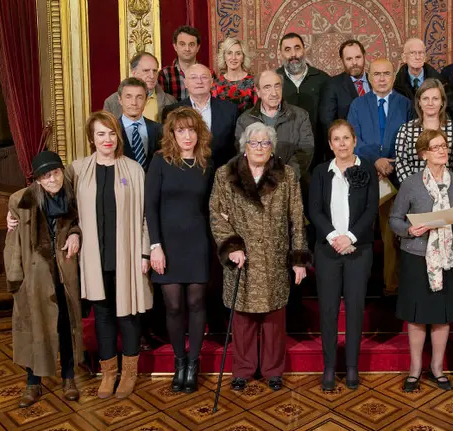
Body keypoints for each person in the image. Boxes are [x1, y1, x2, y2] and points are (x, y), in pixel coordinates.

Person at [210, 122, 310, 392]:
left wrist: (299, 260)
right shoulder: (225, 174)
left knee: (274, 320)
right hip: (241, 258)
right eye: (254, 142)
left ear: (272, 147)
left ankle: (273, 371)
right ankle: (242, 369)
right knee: (242, 319)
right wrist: (232, 246)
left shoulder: (286, 175)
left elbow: (297, 218)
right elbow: (216, 215)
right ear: (245, 146)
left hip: (274, 258)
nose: (260, 147)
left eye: (265, 143)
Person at [72, 111, 152, 399]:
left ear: (118, 135)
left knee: (128, 314)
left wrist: (144, 253)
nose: (106, 139)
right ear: (91, 139)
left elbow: (145, 216)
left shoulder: (133, 170)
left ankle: (129, 374)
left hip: (127, 254)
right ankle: (108, 374)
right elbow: (51, 194)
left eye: (110, 133)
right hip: (95, 255)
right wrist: (14, 209)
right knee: (102, 315)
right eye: (100, 134)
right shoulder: (78, 169)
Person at [5, 151, 83, 407]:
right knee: (34, 326)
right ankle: (33, 381)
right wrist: (16, 278)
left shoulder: (73, 196)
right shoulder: (21, 201)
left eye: (56, 172)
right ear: (37, 180)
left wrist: (74, 233)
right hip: (35, 276)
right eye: (46, 176)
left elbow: (80, 224)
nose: (52, 179)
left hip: (63, 271)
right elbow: (13, 243)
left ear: (63, 171)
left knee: (65, 324)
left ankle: (69, 377)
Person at [145, 107, 215, 394]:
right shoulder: (160, 161)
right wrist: (155, 246)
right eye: (181, 130)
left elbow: (213, 206)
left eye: (191, 130)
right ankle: (179, 361)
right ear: (172, 134)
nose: (187, 135)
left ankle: (193, 364)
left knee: (197, 304)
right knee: (173, 305)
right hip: (167, 244)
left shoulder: (207, 163)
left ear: (199, 132)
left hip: (198, 241)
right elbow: (150, 205)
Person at [390, 129, 453, 392]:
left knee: (441, 316)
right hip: (416, 256)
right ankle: (415, 369)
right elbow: (395, 219)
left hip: (446, 258)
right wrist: (409, 230)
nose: (442, 150)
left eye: (444, 146)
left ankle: (437, 368)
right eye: (435, 147)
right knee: (418, 316)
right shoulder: (411, 183)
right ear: (423, 154)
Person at [309, 120, 379, 391]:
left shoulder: (367, 169)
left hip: (357, 250)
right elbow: (314, 210)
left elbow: (371, 209)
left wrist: (349, 237)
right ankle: (329, 366)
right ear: (330, 144)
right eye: (336, 139)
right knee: (327, 309)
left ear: (354, 140)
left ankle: (351, 366)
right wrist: (333, 238)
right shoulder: (319, 172)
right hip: (327, 250)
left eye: (346, 138)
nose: (341, 144)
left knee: (354, 308)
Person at [347, 58, 413, 295]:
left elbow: (410, 136)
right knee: (360, 234)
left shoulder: (405, 104)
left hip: (395, 179)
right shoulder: (358, 105)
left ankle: (391, 286)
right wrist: (375, 160)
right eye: (377, 74)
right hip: (365, 177)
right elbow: (353, 140)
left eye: (387, 73)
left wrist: (390, 163)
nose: (382, 78)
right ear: (369, 77)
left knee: (391, 237)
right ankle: (358, 286)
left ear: (393, 77)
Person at [235, 70, 315, 180]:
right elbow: (242, 154)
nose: (274, 93)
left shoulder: (300, 116)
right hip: (258, 184)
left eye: (277, 86)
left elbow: (306, 150)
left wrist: (285, 177)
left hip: (291, 183)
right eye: (267, 87)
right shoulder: (244, 120)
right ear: (258, 91)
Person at [162, 64, 239, 168]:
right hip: (184, 171)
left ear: (211, 82)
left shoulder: (230, 110)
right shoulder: (172, 111)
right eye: (193, 77)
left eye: (204, 77)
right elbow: (168, 146)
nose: (199, 81)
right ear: (185, 83)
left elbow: (235, 148)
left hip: (221, 173)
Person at [395, 78, 453, 182]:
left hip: (448, 190)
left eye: (435, 98)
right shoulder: (406, 130)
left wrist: (450, 189)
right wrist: (415, 190)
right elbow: (401, 164)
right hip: (414, 192)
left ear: (442, 102)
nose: (430, 103)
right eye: (425, 99)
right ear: (419, 102)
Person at [319, 40, 370, 161]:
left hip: (375, 149)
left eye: (358, 57)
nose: (354, 63)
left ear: (364, 56)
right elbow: (327, 123)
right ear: (342, 60)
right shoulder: (332, 85)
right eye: (349, 59)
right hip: (347, 152)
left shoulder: (376, 80)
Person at [277, 32, 329, 136]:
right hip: (283, 147)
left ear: (304, 50)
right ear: (280, 54)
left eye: (297, 48)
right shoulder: (274, 80)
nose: (293, 54)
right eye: (287, 50)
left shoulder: (323, 79)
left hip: (317, 147)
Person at [103, 52, 176, 122]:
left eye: (155, 71)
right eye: (146, 71)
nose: (152, 76)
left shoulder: (170, 101)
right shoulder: (111, 102)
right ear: (134, 73)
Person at [158, 25, 218, 101]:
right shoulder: (165, 74)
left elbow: (214, 101)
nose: (187, 49)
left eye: (191, 44)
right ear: (175, 46)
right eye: (182, 44)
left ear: (198, 47)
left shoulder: (209, 73)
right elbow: (161, 104)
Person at [116, 77, 164, 171]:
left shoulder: (159, 129)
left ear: (146, 100)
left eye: (139, 97)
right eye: (128, 97)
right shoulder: (111, 130)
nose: (134, 103)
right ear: (120, 100)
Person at [213, 37, 257, 114]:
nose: (233, 58)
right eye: (229, 53)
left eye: (238, 53)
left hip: (248, 125)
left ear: (243, 57)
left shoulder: (254, 82)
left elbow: (258, 111)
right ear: (224, 57)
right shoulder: (216, 84)